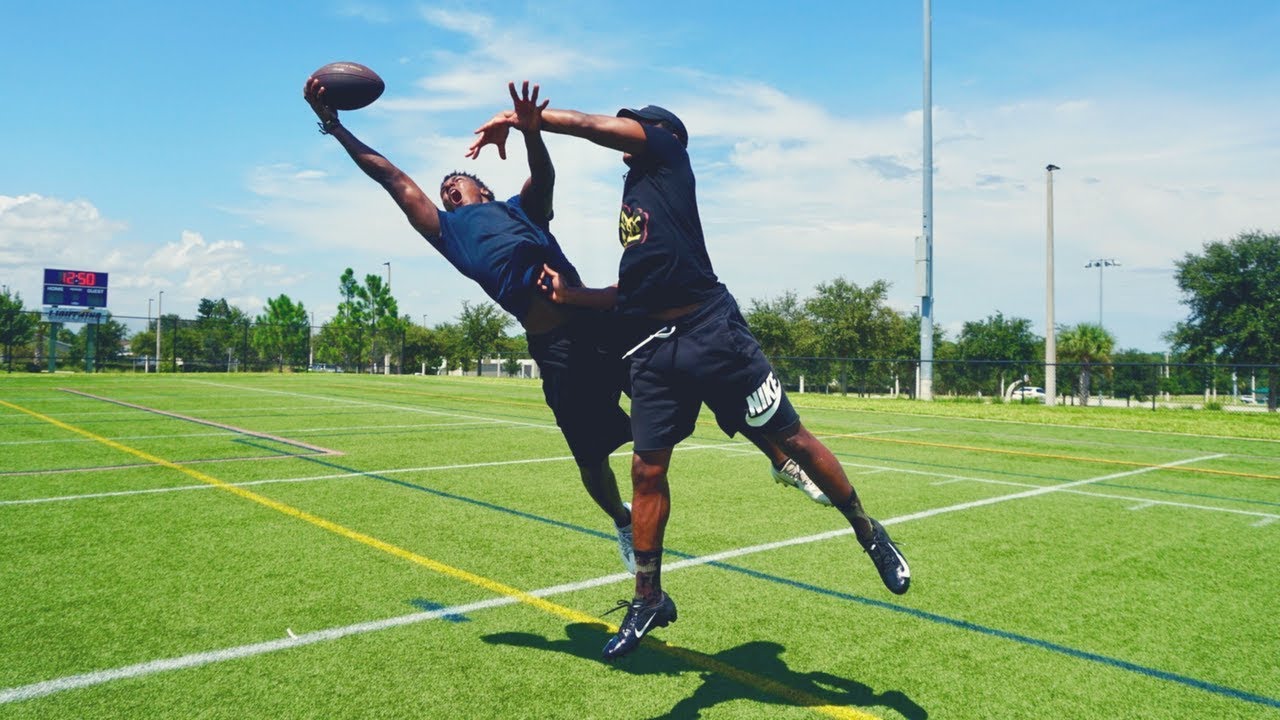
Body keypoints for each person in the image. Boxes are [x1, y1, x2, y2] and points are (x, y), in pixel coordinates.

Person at [303, 79, 824, 580]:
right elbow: (389, 174)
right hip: (555, 351)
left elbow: (544, 177)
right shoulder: (446, 231)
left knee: (699, 369)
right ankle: (623, 521)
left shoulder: (521, 210)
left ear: (482, 187)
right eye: (443, 189)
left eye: (456, 181)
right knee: (591, 461)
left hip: (600, 320)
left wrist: (531, 130)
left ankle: (780, 458)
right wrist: (335, 125)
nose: (446, 187)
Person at [471, 91, 911, 661]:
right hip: (656, 349)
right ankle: (648, 597)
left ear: (660, 134)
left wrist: (530, 122)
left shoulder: (669, 158)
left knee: (792, 437)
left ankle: (869, 533)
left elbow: (591, 126)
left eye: (631, 126)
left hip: (711, 331)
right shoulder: (636, 195)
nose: (621, 132)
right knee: (645, 469)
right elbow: (634, 289)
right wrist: (573, 295)